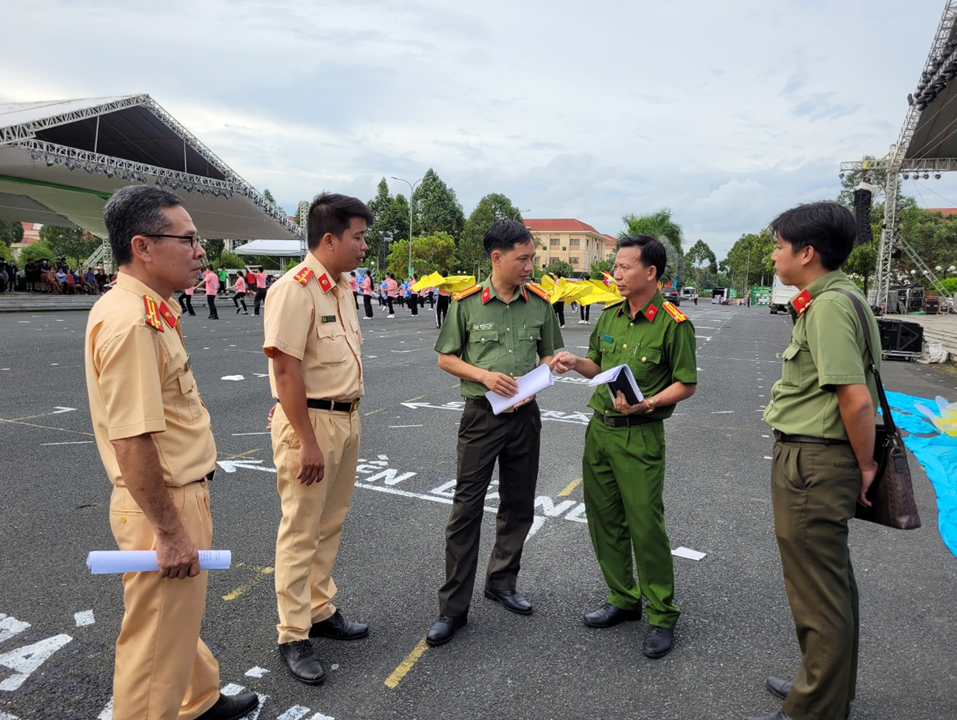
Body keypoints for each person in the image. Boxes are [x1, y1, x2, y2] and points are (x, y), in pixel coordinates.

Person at [84, 185, 257, 720]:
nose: (200, 250)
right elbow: (132, 439)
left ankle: (199, 699)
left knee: (175, 617)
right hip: (165, 500)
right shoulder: (133, 321)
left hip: (175, 492)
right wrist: (169, 531)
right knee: (154, 645)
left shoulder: (146, 308)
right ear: (143, 246)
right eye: (188, 239)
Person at [745, 202, 880, 720]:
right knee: (832, 585)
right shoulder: (841, 296)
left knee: (817, 593)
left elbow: (855, 397)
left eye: (779, 245)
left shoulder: (827, 306)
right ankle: (825, 688)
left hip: (815, 461)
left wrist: (865, 464)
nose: (774, 254)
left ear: (807, 253)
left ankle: (814, 709)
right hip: (820, 456)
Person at [551, 235, 697, 660]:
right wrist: (575, 362)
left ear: (650, 273)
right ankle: (623, 598)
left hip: (640, 433)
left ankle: (662, 614)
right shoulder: (611, 316)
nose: (615, 274)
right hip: (600, 430)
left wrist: (647, 402)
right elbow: (598, 365)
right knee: (604, 519)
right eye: (615, 267)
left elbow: (686, 383)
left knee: (645, 526)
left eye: (624, 267)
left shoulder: (673, 323)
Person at [426, 219, 563, 647]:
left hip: (526, 416)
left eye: (532, 258)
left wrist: (542, 376)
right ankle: (453, 608)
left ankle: (501, 582)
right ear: (496, 257)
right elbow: (446, 358)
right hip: (482, 416)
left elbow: (548, 355)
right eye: (523, 259)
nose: (530, 266)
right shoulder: (466, 303)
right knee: (466, 509)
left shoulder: (540, 302)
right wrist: (484, 376)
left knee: (519, 504)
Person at [263, 192, 374, 685]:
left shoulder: (342, 286)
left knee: (330, 522)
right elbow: (285, 371)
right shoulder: (295, 289)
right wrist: (305, 441)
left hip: (346, 419)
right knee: (300, 528)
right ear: (329, 239)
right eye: (358, 237)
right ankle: (293, 633)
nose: (365, 246)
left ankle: (320, 609)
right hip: (312, 425)